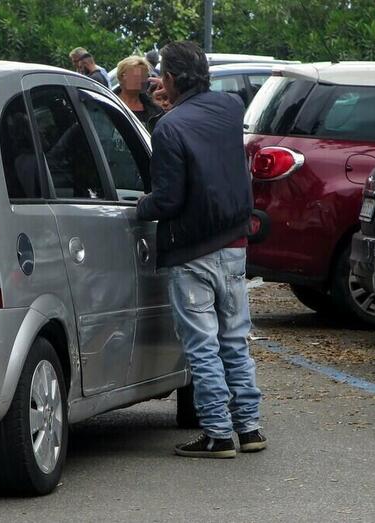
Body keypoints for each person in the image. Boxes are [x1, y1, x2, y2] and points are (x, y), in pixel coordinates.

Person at [136, 41, 266, 459]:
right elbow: (197, 133)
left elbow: (168, 199)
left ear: (169, 79)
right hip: (234, 242)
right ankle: (249, 427)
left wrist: (140, 206)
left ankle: (217, 433)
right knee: (234, 339)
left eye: (163, 77)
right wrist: (164, 109)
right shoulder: (230, 106)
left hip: (191, 250)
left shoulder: (170, 127)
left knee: (202, 345)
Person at [116, 56, 163, 130]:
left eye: (145, 75)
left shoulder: (154, 109)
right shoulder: (109, 102)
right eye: (137, 74)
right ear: (122, 76)